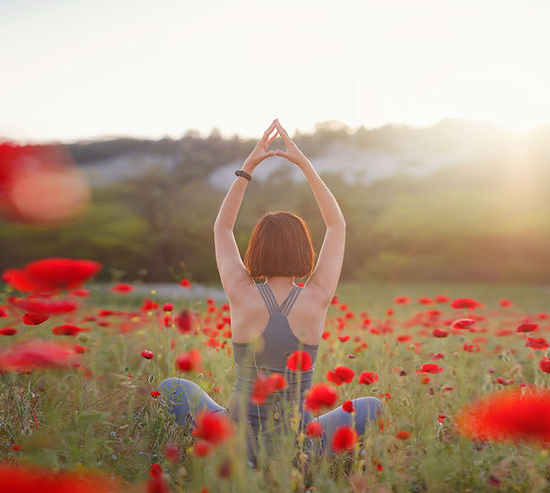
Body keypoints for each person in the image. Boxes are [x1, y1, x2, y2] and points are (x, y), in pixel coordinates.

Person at [157, 119, 383, 468]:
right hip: (298, 444)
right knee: (372, 406)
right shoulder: (317, 296)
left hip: (234, 439)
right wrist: (304, 164)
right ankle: (301, 460)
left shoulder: (240, 292)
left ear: (255, 249)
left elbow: (223, 227)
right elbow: (337, 225)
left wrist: (247, 167)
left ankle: (232, 454)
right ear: (305, 250)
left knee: (173, 386)